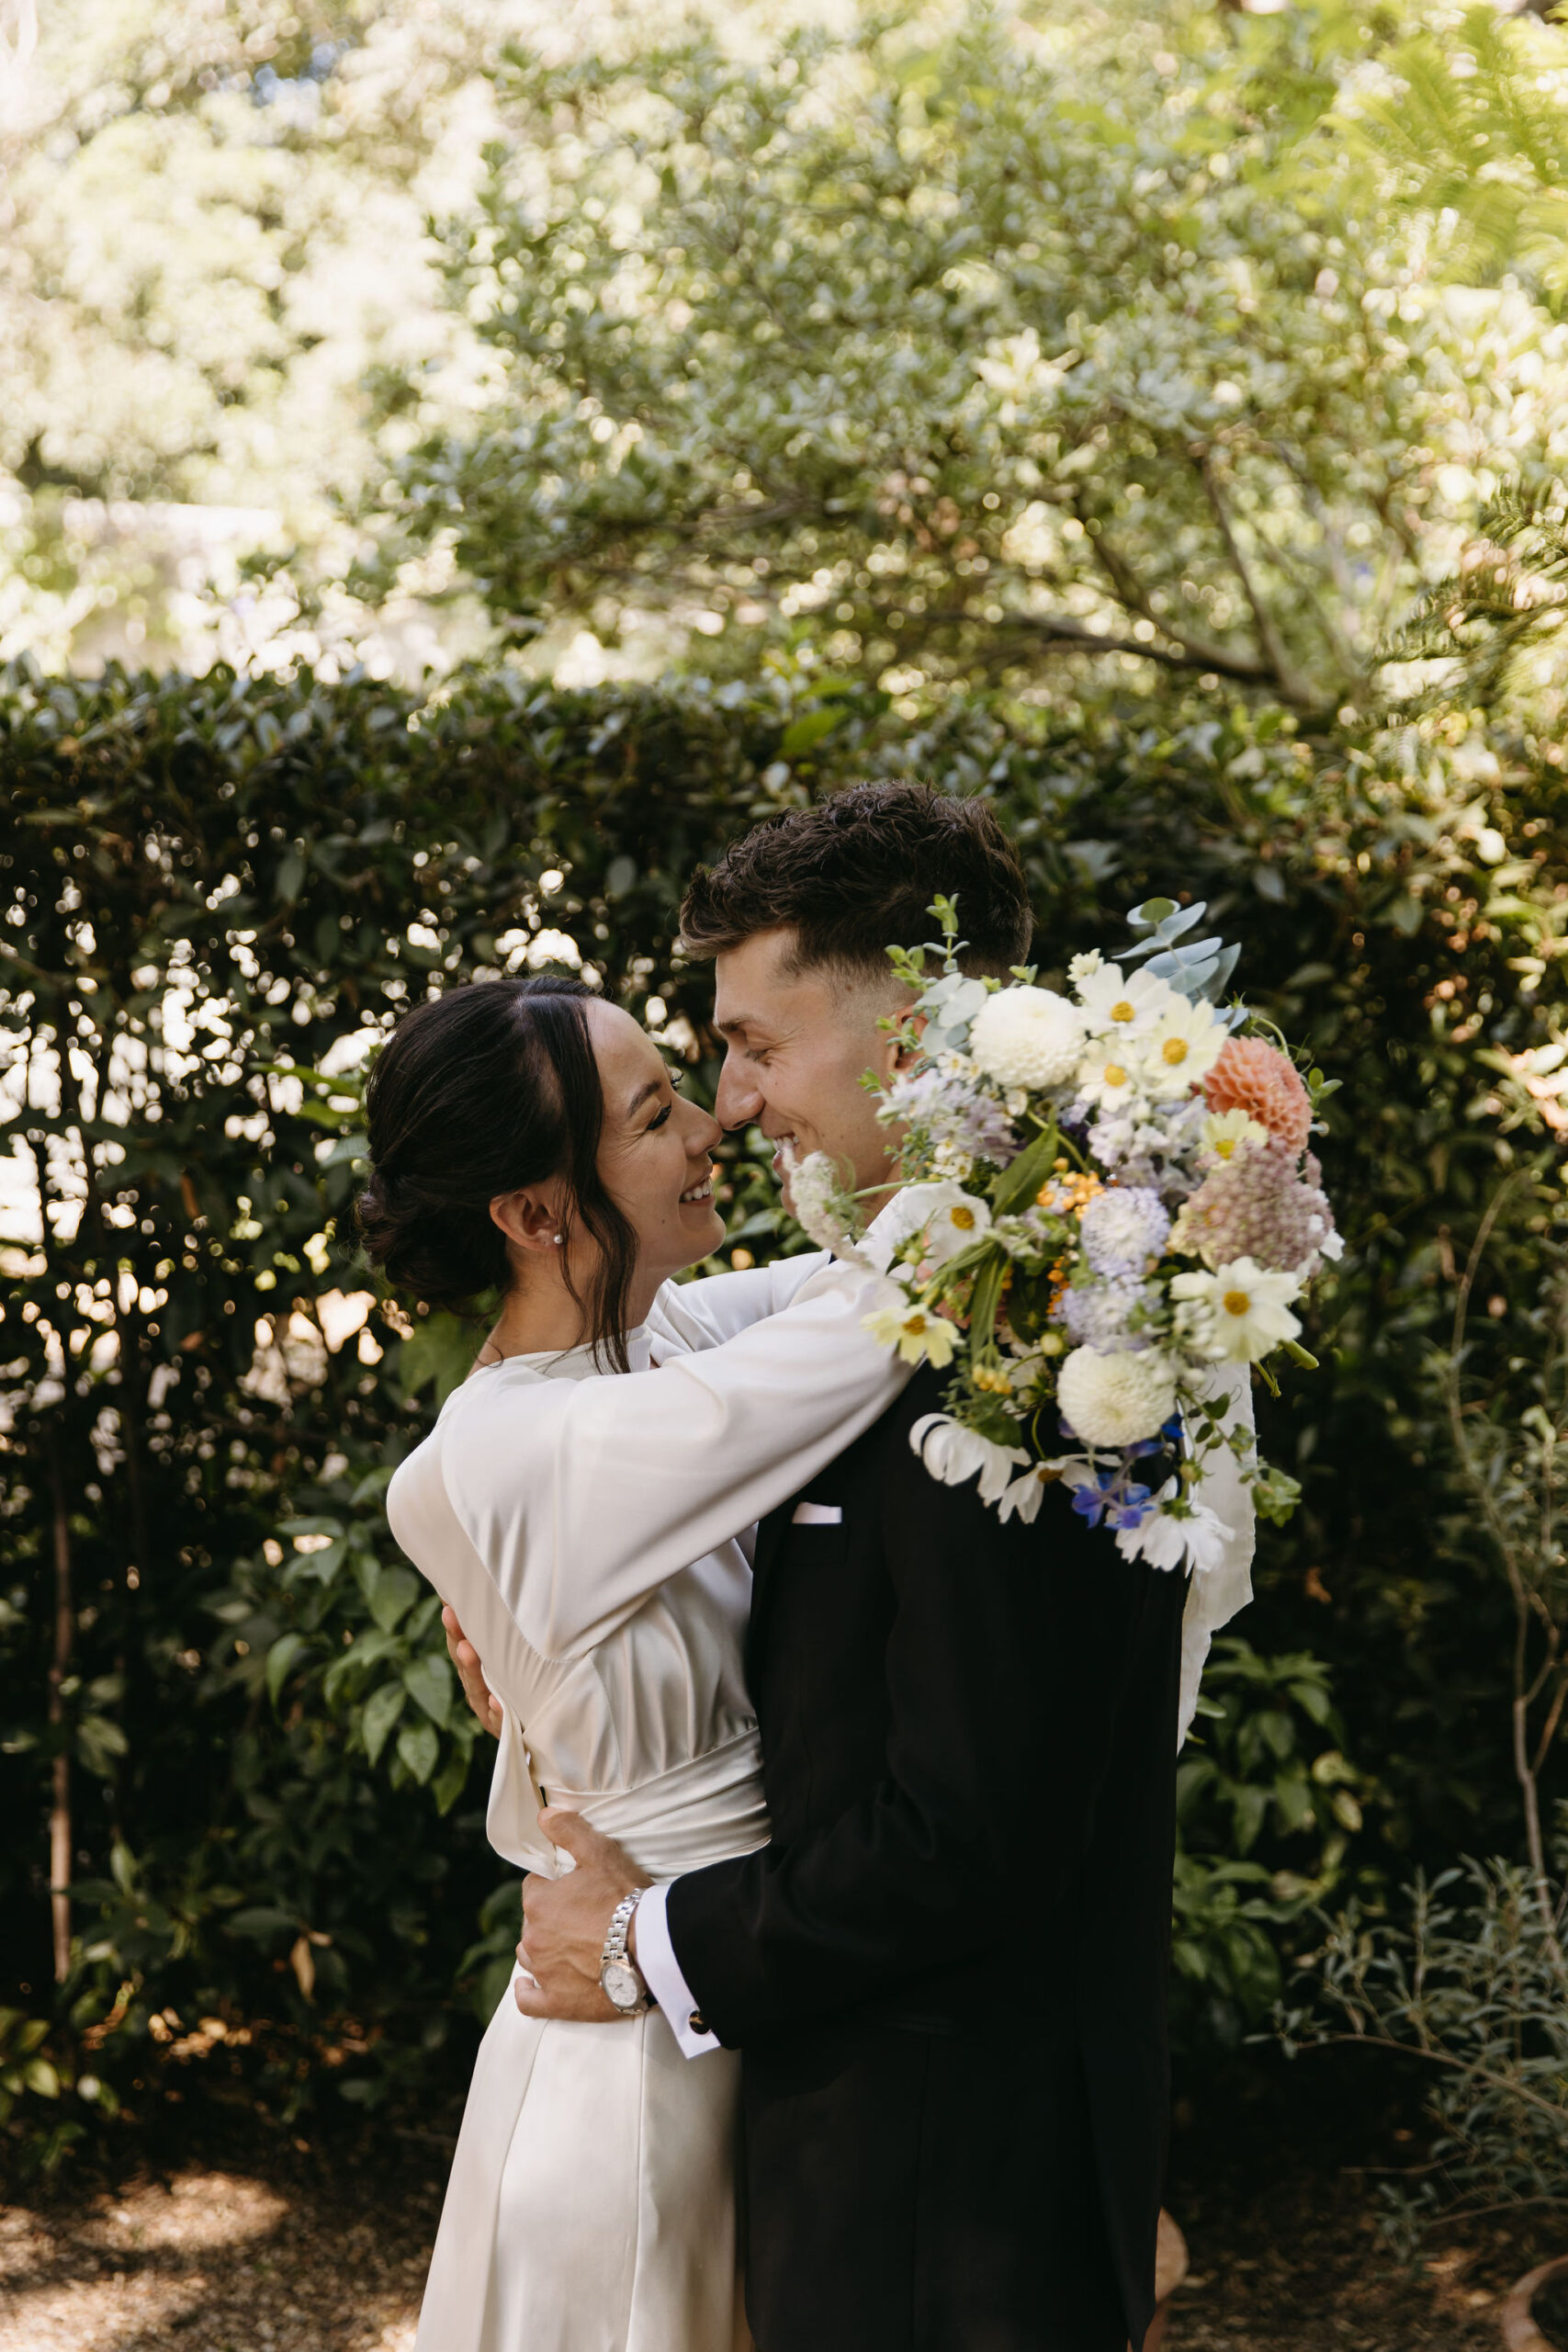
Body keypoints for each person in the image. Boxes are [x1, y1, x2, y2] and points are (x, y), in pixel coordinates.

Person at [441, 783, 1257, 2352]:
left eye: (754, 1043)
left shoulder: (1036, 1341)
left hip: (955, 2182)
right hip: (848, 2142)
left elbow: (976, 1825)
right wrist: (553, 1658)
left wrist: (640, 1943)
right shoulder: (900, 1293)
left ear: (921, 1028)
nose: (734, 1104)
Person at [363, 786, 1066, 2352]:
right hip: (636, 2050)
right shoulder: (517, 1451)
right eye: (659, 1108)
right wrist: (1104, 1123)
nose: (719, 1123)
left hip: (752, 2006)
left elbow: (853, 1266)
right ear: (538, 1211)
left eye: (708, 1077)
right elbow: (894, 1304)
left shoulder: (661, 1340)